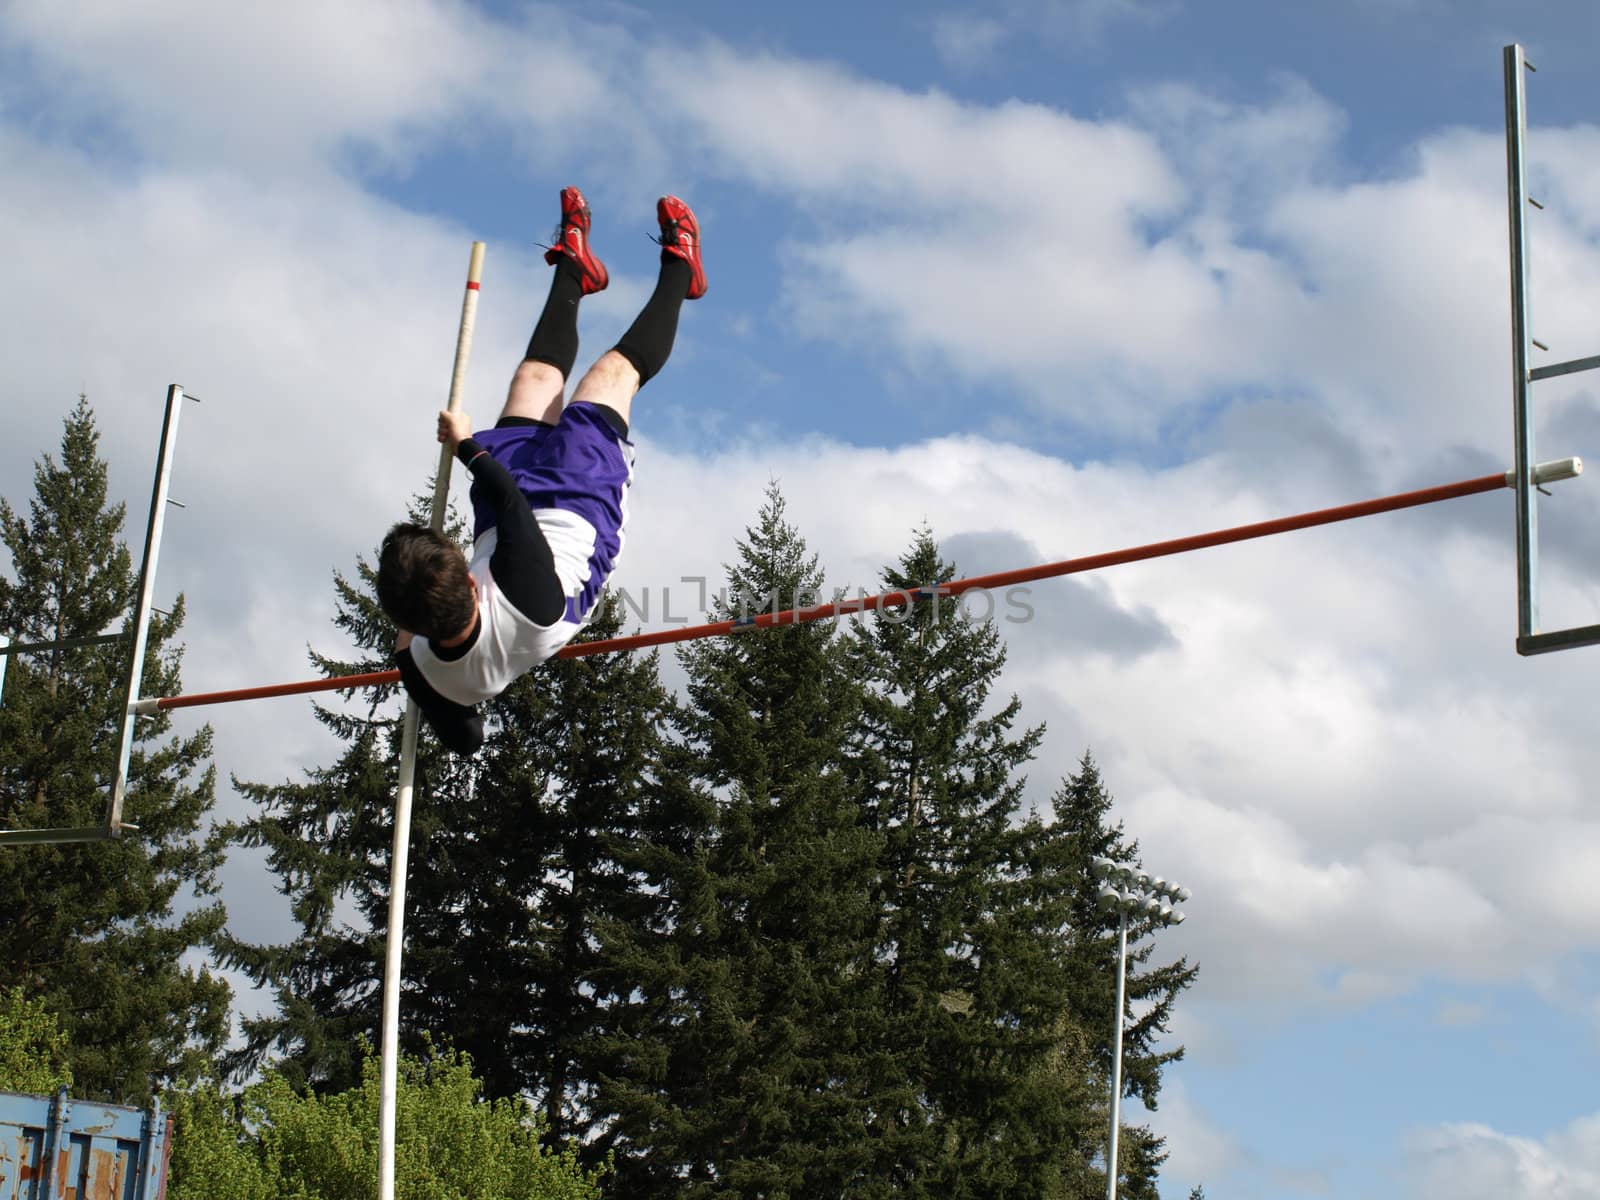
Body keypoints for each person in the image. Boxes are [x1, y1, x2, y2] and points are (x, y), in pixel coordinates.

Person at [376, 187, 706, 753]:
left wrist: (422, 682)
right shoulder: (522, 600)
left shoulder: (428, 668)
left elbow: (468, 741)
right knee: (607, 378)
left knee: (533, 381)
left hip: (504, 527)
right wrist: (463, 444)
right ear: (473, 593)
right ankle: (683, 270)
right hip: (577, 517)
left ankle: (578, 270)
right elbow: (507, 499)